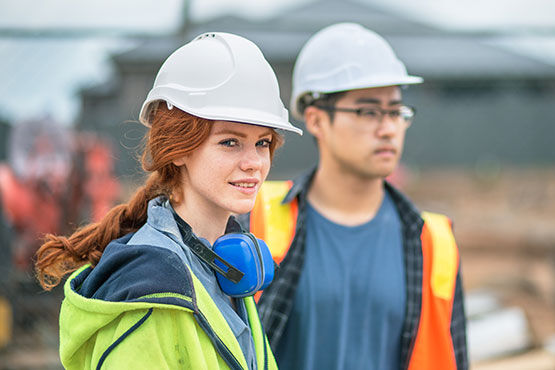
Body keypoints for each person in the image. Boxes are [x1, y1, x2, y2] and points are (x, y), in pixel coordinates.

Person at [34, 32, 302, 370]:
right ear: (179, 148)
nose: (254, 162)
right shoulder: (151, 294)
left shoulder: (220, 265)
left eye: (262, 143)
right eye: (230, 142)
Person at [244, 23, 468, 369]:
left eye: (395, 112)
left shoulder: (433, 243)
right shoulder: (254, 217)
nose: (388, 128)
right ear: (317, 121)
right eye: (368, 112)